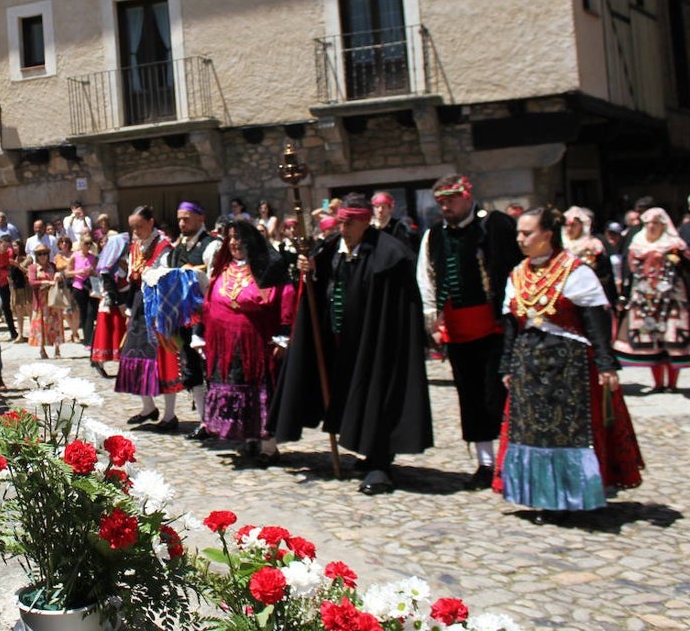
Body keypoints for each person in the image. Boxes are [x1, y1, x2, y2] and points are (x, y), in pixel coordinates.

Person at [269, 194, 433, 494]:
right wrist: (310, 270)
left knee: (378, 396)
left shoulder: (391, 254)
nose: (343, 228)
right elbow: (320, 285)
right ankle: (365, 450)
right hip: (339, 340)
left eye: (350, 223)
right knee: (348, 397)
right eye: (341, 221)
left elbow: (397, 305)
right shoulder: (331, 249)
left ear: (365, 220)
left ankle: (380, 462)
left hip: (377, 342)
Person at [497, 207, 643, 523]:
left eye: (527, 233)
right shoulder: (517, 274)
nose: (520, 239)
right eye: (519, 233)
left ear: (547, 235)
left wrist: (606, 364)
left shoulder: (575, 272)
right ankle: (540, 496)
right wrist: (506, 365)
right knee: (532, 433)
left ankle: (572, 497)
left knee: (566, 433)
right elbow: (511, 326)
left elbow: (595, 323)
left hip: (569, 366)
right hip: (529, 364)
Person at [417, 174, 520, 489]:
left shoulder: (496, 226)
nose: (446, 206)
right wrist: (433, 323)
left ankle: (512, 461)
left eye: (451, 200)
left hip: (495, 328)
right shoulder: (434, 235)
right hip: (458, 330)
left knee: (498, 395)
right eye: (441, 202)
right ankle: (485, 464)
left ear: (466, 196)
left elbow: (515, 269)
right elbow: (427, 278)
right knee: (470, 398)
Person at [202, 220, 296, 464]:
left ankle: (269, 447)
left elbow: (286, 298)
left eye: (240, 238)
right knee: (237, 391)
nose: (235, 242)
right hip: (226, 346)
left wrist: (283, 335)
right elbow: (210, 302)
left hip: (257, 344)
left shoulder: (269, 268)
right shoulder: (223, 268)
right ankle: (249, 440)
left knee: (260, 392)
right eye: (231, 237)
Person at [115, 206, 178, 429]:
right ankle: (148, 407)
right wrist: (129, 308)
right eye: (132, 227)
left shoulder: (164, 247)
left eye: (139, 226)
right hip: (139, 304)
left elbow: (167, 276)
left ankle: (170, 415)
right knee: (134, 354)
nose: (136, 231)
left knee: (162, 356)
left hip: (160, 305)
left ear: (151, 222)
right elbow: (131, 279)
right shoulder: (135, 248)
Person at [613, 207, 690, 393]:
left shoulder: (674, 244)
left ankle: (671, 383)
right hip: (644, 297)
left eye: (655, 223)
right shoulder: (637, 243)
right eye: (648, 223)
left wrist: (675, 259)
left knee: (671, 340)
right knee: (651, 340)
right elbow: (629, 270)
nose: (651, 227)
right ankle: (657, 383)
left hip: (671, 297)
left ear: (663, 225)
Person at [165, 201, 222, 441]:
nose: (181, 223)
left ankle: (221, 418)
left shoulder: (212, 245)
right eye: (179, 219)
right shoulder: (178, 247)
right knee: (191, 369)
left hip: (208, 318)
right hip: (184, 317)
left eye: (186, 218)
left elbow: (214, 280)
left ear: (200, 218)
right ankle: (204, 421)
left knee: (211, 368)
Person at [90, 230, 131, 374]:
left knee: (119, 332)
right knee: (109, 332)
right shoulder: (108, 266)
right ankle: (99, 361)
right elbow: (110, 286)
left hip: (122, 301)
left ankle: (124, 364)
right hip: (113, 303)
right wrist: (120, 304)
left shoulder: (122, 261)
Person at [563, 206, 617, 305]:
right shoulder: (561, 246)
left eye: (574, 225)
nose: (569, 229)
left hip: (589, 293)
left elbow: (604, 272)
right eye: (567, 225)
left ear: (582, 226)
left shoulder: (594, 245)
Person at [27, 244, 63, 357]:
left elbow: (60, 277)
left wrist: (59, 276)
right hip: (41, 301)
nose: (42, 256)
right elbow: (32, 282)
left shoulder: (52, 266)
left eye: (44, 254)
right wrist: (46, 282)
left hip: (53, 299)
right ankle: (42, 349)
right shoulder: (33, 268)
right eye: (39, 254)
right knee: (41, 325)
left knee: (56, 323)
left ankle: (57, 349)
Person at [70, 234, 98, 351]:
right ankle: (87, 340)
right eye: (86, 243)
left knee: (91, 313)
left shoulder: (93, 257)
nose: (88, 245)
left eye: (90, 243)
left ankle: (90, 339)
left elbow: (97, 273)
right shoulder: (75, 256)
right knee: (84, 313)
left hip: (90, 287)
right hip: (79, 287)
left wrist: (92, 272)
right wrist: (78, 272)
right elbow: (67, 272)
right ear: (81, 244)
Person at [53, 235, 80, 342]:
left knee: (75, 310)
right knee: (65, 311)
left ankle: (75, 334)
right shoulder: (57, 256)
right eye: (62, 242)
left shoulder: (74, 254)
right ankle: (74, 332)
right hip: (62, 284)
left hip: (74, 282)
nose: (64, 244)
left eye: (66, 242)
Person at [0, 234, 20, 342]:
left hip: (4, 281)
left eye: (7, 247)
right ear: (0, 244)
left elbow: (10, 265)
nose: (5, 249)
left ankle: (13, 331)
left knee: (6, 307)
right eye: (4, 246)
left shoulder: (9, 252)